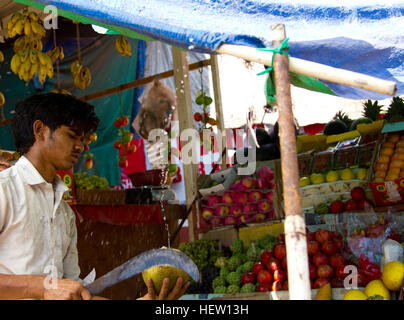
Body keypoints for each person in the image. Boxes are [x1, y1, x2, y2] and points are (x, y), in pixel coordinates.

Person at [0, 93, 189, 300]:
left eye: (82, 139)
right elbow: (54, 289)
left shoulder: (63, 211)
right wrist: (44, 287)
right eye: (72, 135)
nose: (80, 146)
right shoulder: (5, 190)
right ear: (40, 130)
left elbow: (77, 295)